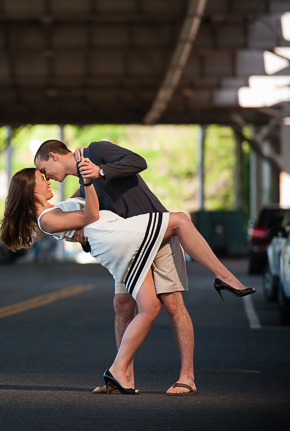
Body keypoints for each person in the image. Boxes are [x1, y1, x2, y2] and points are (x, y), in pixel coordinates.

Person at [0, 166, 255, 394]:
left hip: (117, 238)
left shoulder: (53, 211)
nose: (47, 180)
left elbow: (84, 207)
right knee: (179, 221)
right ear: (31, 190)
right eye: (41, 178)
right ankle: (224, 277)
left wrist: (90, 167)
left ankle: (121, 376)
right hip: (120, 239)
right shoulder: (46, 219)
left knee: (135, 305)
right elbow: (90, 214)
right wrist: (88, 184)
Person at [34, 139, 196, 395]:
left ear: (53, 156)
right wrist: (81, 230)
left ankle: (187, 377)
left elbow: (137, 162)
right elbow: (90, 215)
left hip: (155, 230)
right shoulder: (81, 184)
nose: (47, 176)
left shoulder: (95, 153)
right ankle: (123, 378)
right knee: (122, 306)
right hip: (127, 245)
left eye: (43, 169)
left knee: (172, 303)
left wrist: (100, 171)